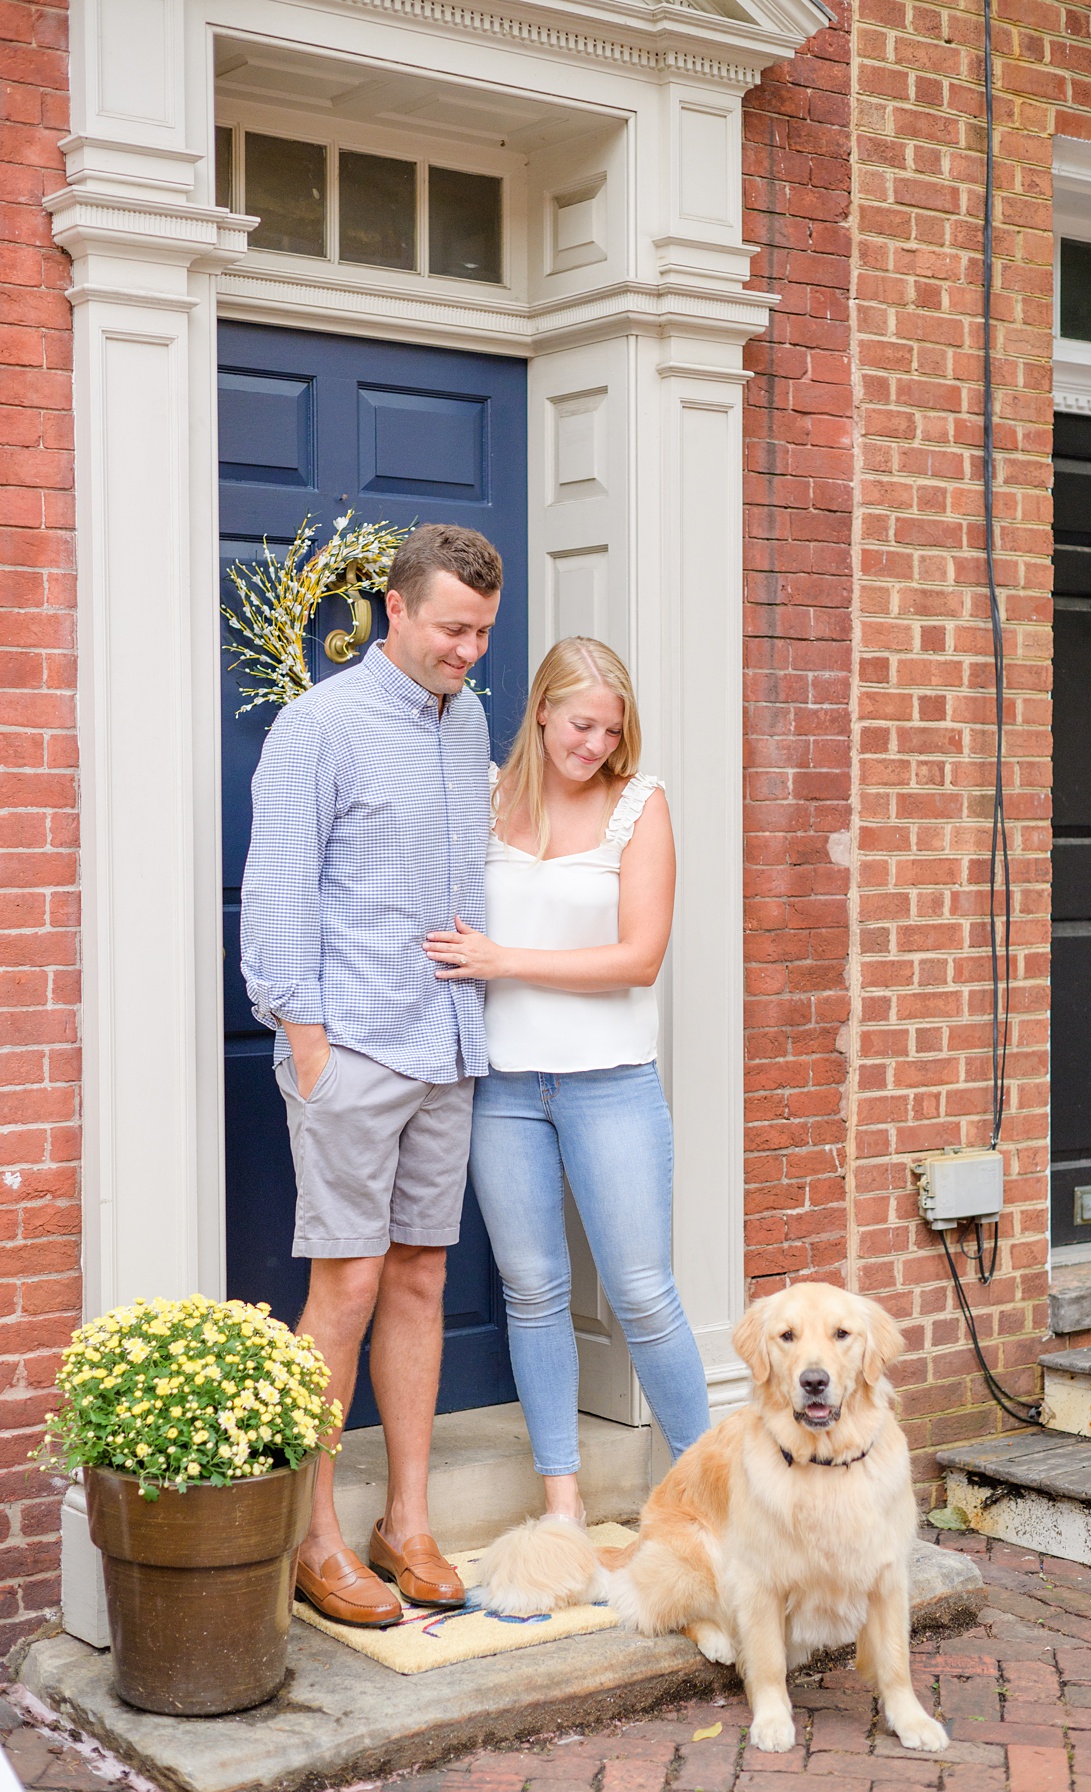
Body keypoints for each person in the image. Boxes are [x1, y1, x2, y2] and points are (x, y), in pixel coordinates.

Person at [241, 522, 505, 1627]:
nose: (470, 651)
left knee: (422, 1281)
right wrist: (308, 1042)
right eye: (453, 628)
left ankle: (408, 1522)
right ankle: (316, 1540)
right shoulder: (320, 726)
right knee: (342, 1289)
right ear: (396, 609)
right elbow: (278, 892)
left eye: (483, 632)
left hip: (447, 1047)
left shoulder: (472, 717)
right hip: (352, 1046)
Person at [424, 638, 710, 1525]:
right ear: (542, 708)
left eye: (609, 729)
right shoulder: (480, 798)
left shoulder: (640, 805)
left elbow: (639, 958)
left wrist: (503, 960)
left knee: (641, 1291)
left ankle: (713, 1497)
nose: (592, 743)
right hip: (504, 1087)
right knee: (534, 1290)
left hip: (611, 1083)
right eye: (580, 722)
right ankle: (563, 1502)